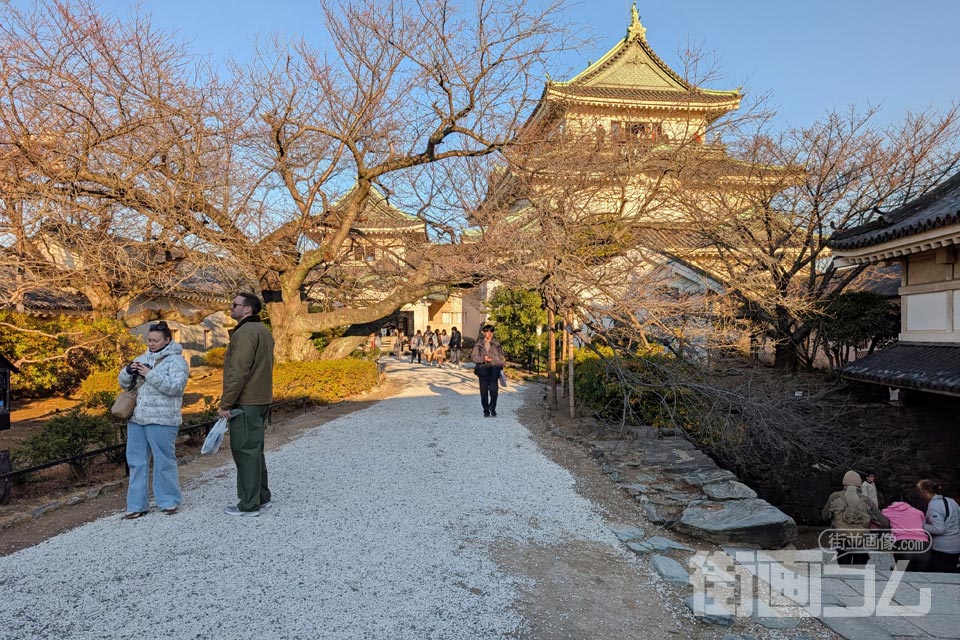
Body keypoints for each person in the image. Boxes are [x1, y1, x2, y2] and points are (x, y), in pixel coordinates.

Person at [118, 321, 189, 519]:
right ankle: (136, 505)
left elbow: (175, 388)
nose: (152, 343)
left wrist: (150, 374)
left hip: (162, 419)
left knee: (164, 460)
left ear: (167, 340)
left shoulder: (177, 361)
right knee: (136, 462)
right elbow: (124, 384)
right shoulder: (141, 358)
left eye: (156, 340)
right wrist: (128, 371)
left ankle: (168, 501)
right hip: (137, 418)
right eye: (149, 340)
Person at [219, 292, 275, 517]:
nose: (231, 308)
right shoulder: (264, 331)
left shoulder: (243, 334)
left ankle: (249, 504)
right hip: (261, 398)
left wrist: (226, 403)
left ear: (248, 310)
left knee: (244, 451)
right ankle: (261, 497)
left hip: (246, 400)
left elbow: (238, 371)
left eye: (235, 305)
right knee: (255, 450)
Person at [821, 470, 889, 565]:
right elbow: (883, 522)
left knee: (844, 567)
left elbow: (824, 516)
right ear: (859, 484)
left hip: (841, 539)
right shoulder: (866, 501)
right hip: (861, 539)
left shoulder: (834, 497)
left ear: (844, 483)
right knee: (859, 569)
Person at [881, 490, 932, 572]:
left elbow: (879, 525)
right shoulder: (918, 512)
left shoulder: (885, 512)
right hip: (924, 546)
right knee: (921, 579)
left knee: (902, 577)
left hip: (903, 545)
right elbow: (923, 526)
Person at [916, 479, 960, 573]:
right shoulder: (951, 501)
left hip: (942, 549)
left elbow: (939, 529)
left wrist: (921, 525)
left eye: (919, 491)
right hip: (956, 547)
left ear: (925, 491)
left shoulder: (934, 506)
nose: (919, 494)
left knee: (937, 574)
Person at [470, 324, 506, 417]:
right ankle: (486, 410)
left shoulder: (497, 344)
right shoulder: (478, 344)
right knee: (484, 392)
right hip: (483, 371)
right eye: (487, 331)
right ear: (483, 332)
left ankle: (492, 408)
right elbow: (473, 357)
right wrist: (483, 358)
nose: (489, 334)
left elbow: (502, 357)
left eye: (491, 332)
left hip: (494, 370)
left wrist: (500, 364)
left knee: (494, 392)